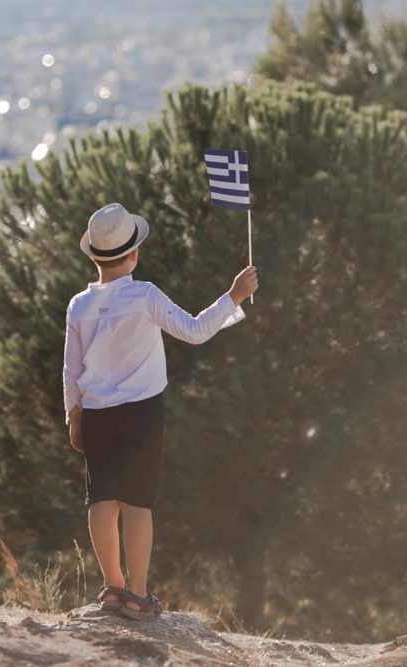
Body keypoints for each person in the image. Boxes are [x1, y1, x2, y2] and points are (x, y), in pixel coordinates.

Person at [63, 202, 258, 619]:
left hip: (95, 411)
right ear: (133, 254)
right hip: (141, 413)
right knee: (137, 503)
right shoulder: (145, 295)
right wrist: (234, 297)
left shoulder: (78, 305)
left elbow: (71, 368)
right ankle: (138, 596)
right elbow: (194, 330)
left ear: (94, 256)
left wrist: (73, 415)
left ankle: (112, 588)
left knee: (101, 499)